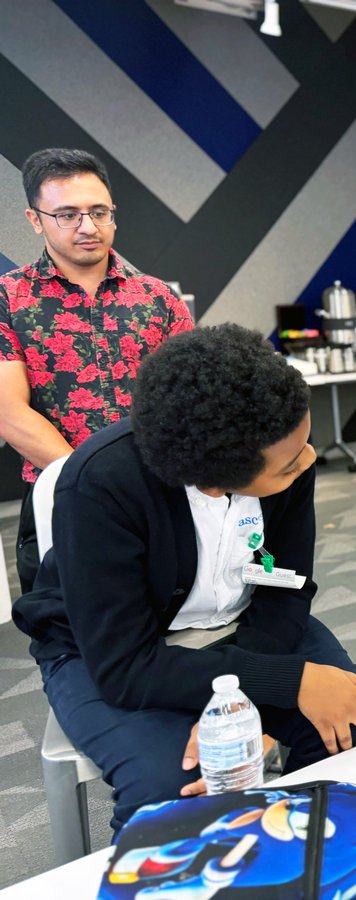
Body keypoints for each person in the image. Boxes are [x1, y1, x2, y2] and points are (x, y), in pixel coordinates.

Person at [12, 324, 356, 834]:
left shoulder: (287, 451)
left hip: (246, 623)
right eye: (290, 463)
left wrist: (246, 699)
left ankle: (305, 854)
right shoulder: (100, 483)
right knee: (174, 790)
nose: (310, 459)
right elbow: (125, 668)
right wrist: (286, 682)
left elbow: (286, 585)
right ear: (216, 475)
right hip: (110, 650)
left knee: (351, 728)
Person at [0, 148, 192, 593]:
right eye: (67, 215)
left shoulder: (158, 298)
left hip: (159, 493)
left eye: (99, 212)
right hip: (60, 495)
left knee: (171, 615)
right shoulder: (9, 299)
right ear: (35, 220)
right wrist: (89, 480)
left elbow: (190, 395)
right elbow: (9, 411)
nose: (88, 227)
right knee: (69, 624)